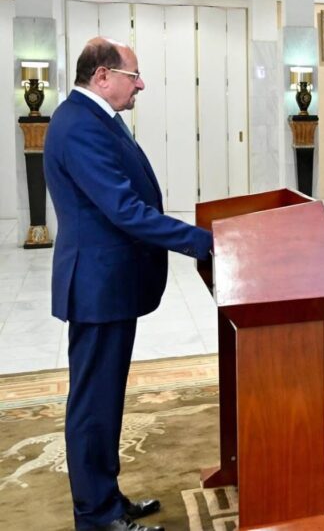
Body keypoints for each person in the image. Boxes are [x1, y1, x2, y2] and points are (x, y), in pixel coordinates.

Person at [44, 37, 213, 531]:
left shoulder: (95, 117)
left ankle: (108, 498)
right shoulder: (79, 125)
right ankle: (96, 515)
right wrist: (202, 242)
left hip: (110, 283)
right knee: (93, 404)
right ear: (102, 76)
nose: (141, 85)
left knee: (105, 399)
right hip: (97, 285)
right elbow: (124, 209)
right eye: (133, 75)